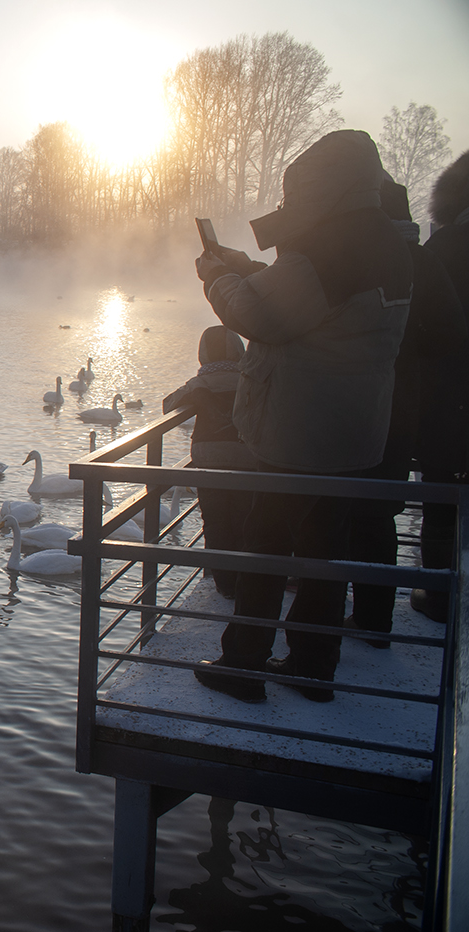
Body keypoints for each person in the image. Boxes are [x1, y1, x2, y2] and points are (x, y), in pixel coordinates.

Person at [191, 129, 413, 703]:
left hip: (299, 434)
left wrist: (218, 277)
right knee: (325, 551)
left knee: (266, 547)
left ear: (322, 187)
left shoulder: (328, 250)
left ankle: (244, 665)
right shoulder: (388, 241)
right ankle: (315, 666)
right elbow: (292, 298)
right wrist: (244, 267)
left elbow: (261, 315)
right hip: (355, 431)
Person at [345, 179, 465, 644]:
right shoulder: (427, 260)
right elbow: (449, 334)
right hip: (409, 406)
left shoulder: (370, 261)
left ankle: (358, 619)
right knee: (381, 512)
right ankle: (378, 618)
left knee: (352, 512)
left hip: (367, 403)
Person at [163, 326, 257, 597]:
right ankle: (245, 578)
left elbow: (168, 405)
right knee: (244, 520)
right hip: (247, 460)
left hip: (209, 463)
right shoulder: (249, 379)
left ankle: (225, 583)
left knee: (215, 521)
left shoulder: (200, 383)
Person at [415, 151, 469, 622]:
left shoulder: (445, 250)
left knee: (440, 498)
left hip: (447, 403)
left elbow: (414, 330)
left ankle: (438, 595)